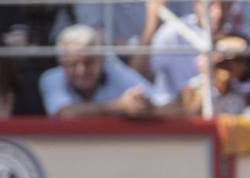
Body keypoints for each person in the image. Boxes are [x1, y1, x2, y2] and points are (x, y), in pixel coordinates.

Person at [39, 23, 175, 117]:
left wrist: (143, 105)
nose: (81, 71)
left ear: (101, 60)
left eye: (88, 62)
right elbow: (65, 113)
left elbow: (161, 102)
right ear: (61, 63)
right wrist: (120, 106)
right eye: (73, 64)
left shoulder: (117, 72)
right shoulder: (51, 78)